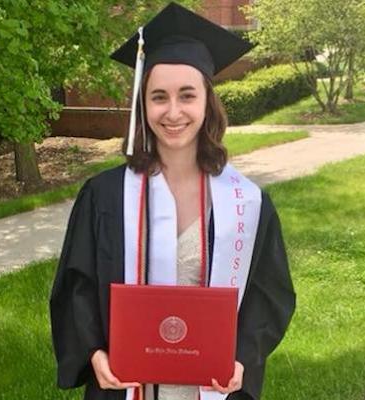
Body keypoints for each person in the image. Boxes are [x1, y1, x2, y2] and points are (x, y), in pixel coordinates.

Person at [50, 3, 296, 400]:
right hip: (126, 387)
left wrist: (242, 359)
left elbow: (270, 295)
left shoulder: (246, 202)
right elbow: (77, 286)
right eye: (159, 97)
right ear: (143, 106)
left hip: (212, 387)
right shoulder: (105, 196)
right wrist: (94, 354)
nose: (174, 111)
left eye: (187, 95)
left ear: (207, 102)